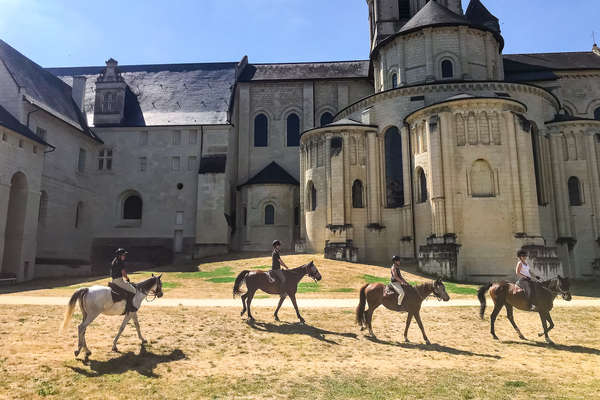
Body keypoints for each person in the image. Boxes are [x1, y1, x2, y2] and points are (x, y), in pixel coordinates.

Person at [110, 248, 138, 312]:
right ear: (119, 255)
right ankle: (130, 306)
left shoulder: (114, 260)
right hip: (119, 281)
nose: (124, 256)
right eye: (123, 255)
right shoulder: (120, 262)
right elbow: (123, 272)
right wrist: (127, 278)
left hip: (114, 280)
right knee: (133, 290)